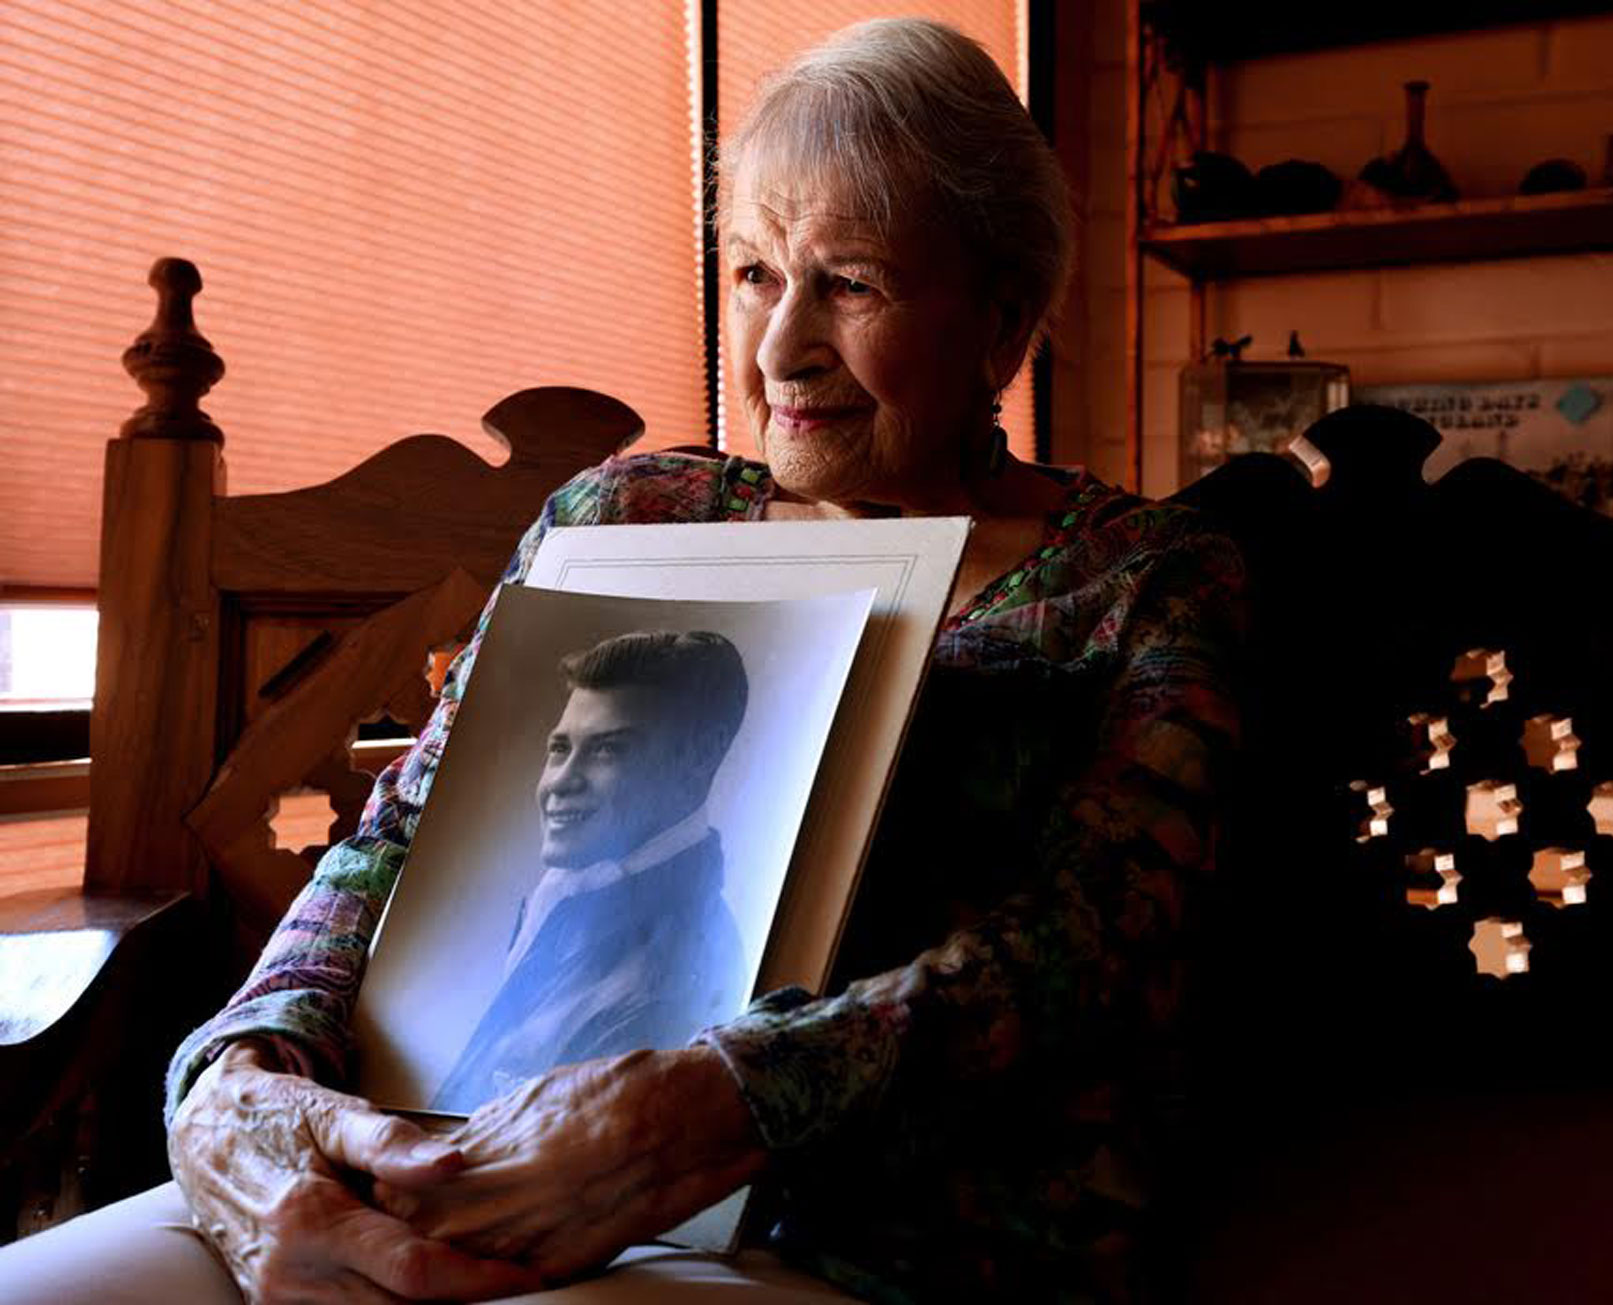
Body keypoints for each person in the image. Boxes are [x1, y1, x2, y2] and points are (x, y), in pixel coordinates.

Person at [0, 17, 1244, 1303]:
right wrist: (240, 1075)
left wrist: (715, 1104)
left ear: (1003, 315)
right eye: (757, 272)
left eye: (852, 284)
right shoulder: (628, 518)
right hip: (435, 1162)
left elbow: (1095, 945)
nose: (777, 352)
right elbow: (405, 833)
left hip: (852, 1230)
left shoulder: (1141, 579)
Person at [431, 631, 749, 1114]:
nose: (560, 781)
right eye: (560, 749)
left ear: (700, 758)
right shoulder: (567, 897)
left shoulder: (668, 975)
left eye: (608, 751)